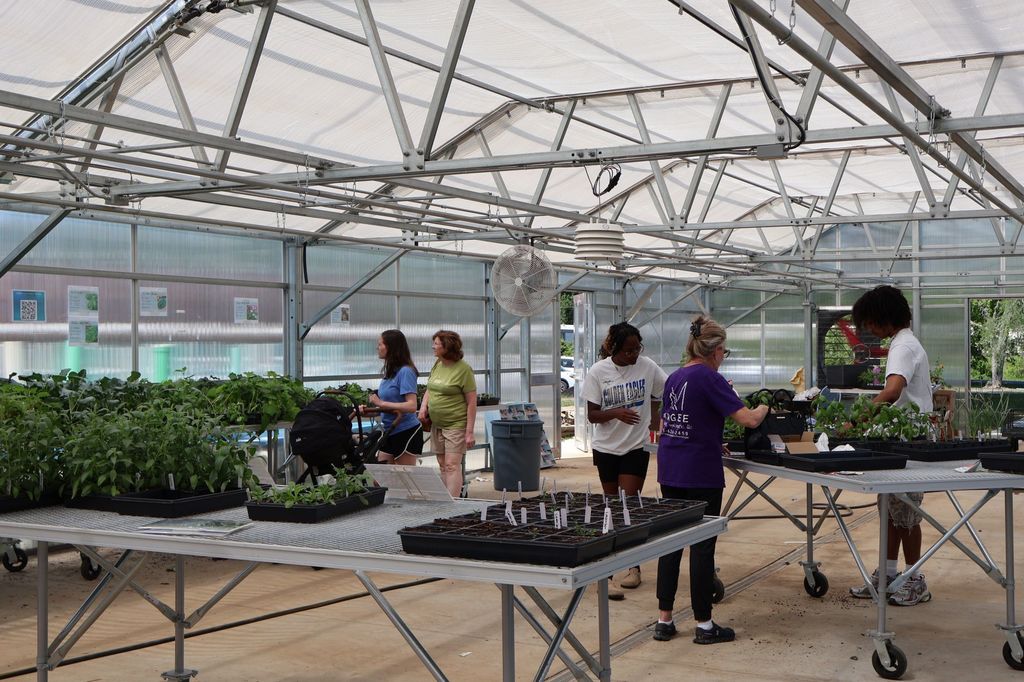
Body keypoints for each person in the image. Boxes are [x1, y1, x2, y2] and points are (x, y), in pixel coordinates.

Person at [653, 316, 768, 644]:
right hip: (700, 473)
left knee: (670, 544)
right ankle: (704, 624)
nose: (723, 357)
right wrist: (763, 407)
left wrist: (711, 439)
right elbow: (746, 419)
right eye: (725, 351)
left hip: (671, 468)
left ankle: (664, 619)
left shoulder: (676, 377)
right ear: (716, 350)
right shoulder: (709, 377)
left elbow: (681, 419)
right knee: (703, 547)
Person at [848, 285, 934, 607]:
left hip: (909, 444)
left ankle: (914, 580)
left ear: (885, 318)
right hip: (899, 441)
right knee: (891, 511)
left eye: (871, 321)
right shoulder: (903, 343)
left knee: (907, 514)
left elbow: (893, 390)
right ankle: (888, 576)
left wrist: (855, 421)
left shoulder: (902, 347)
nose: (869, 329)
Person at [583, 322, 667, 593]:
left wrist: (654, 414)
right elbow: (592, 414)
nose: (634, 355)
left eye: (637, 349)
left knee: (628, 503)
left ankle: (634, 566)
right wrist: (617, 412)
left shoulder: (647, 366)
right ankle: (606, 569)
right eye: (629, 351)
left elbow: (663, 390)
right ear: (614, 348)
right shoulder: (598, 371)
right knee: (610, 505)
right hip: (605, 447)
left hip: (635, 445)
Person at [418, 330, 476, 497]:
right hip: (437, 424)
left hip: (455, 424)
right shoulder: (438, 364)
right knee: (442, 464)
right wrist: (423, 407)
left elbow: (472, 402)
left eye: (436, 344)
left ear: (447, 347)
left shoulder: (464, 370)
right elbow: (430, 387)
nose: (433, 347)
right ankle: (447, 499)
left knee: (452, 465)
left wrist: (469, 432)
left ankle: (454, 505)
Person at [361, 330, 422, 466]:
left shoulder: (406, 371)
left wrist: (381, 403)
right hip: (390, 430)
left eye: (380, 344)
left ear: (391, 347)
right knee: (381, 478)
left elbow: (412, 406)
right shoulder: (390, 372)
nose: (378, 348)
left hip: (406, 431)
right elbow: (389, 406)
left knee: (404, 476)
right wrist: (370, 411)